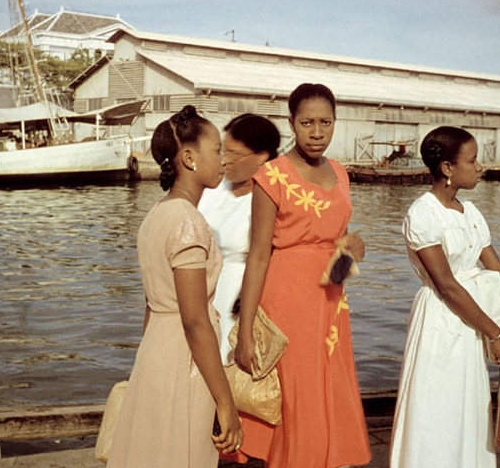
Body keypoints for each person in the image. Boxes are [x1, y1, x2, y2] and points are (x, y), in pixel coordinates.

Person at [233, 83, 372, 468]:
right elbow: (259, 255)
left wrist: (353, 249)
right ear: (291, 122)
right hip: (287, 301)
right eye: (307, 122)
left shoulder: (342, 174)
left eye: (325, 122)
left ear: (334, 123)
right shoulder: (271, 175)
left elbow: (336, 249)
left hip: (330, 302)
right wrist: (245, 332)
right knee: (295, 398)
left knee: (326, 391)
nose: (316, 132)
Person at [106, 105, 244, 467]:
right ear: (188, 158)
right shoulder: (189, 223)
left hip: (155, 353)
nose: (224, 159)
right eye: (216, 150)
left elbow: (152, 305)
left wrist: (146, 366)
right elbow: (195, 319)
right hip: (185, 359)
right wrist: (226, 402)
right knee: (181, 452)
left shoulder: (156, 215)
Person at [389, 126, 500, 468]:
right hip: (440, 320)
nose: (480, 166)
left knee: (468, 406)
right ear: (447, 168)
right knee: (436, 408)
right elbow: (446, 284)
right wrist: (494, 334)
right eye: (473, 160)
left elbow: (498, 270)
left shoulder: (471, 213)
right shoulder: (423, 214)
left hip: (474, 322)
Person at [198, 113, 281, 363]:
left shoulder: (269, 199)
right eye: (223, 151)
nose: (225, 160)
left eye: (235, 154)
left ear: (262, 157)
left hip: (238, 295)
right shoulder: (213, 188)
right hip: (201, 287)